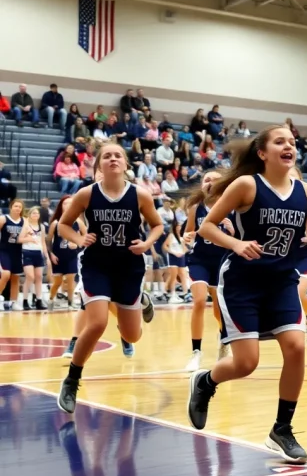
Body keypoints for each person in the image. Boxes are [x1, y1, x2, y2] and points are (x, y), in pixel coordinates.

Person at [186, 127, 307, 464]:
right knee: (246, 364)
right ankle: (205, 381)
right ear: (262, 153)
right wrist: (236, 244)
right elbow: (207, 226)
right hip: (242, 282)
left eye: (292, 142)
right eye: (280, 142)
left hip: (281, 282)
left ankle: (282, 428)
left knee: (296, 349)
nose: (288, 146)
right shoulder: (246, 185)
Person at [56, 143, 164, 413]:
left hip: (129, 267)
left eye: (118, 155)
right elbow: (62, 225)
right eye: (107, 156)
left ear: (126, 164)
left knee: (133, 336)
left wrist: (147, 243)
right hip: (97, 265)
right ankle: (72, 380)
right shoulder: (86, 194)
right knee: (97, 323)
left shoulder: (140, 194)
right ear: (99, 165)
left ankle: (141, 302)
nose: (113, 158)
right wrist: (80, 239)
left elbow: (158, 225)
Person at [183, 170, 235, 371]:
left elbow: (241, 236)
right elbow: (189, 232)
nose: (210, 182)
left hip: (222, 261)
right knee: (198, 301)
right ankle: (196, 352)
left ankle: (224, 340)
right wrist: (187, 237)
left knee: (219, 310)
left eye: (215, 179)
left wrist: (232, 230)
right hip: (199, 260)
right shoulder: (196, 208)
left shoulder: (232, 207)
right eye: (207, 180)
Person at [288, 166, 307, 346]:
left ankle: (297, 333)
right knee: (295, 295)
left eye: (294, 176)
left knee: (298, 292)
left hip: (302, 256)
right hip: (282, 256)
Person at [47, 195, 85, 311]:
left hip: (72, 255)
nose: (68, 205)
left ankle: (70, 302)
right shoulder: (56, 223)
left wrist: (78, 243)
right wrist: (51, 254)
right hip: (58, 256)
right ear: (61, 206)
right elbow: (48, 240)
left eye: (70, 203)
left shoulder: (78, 222)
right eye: (65, 203)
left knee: (70, 278)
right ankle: (51, 299)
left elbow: (86, 236)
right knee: (57, 281)